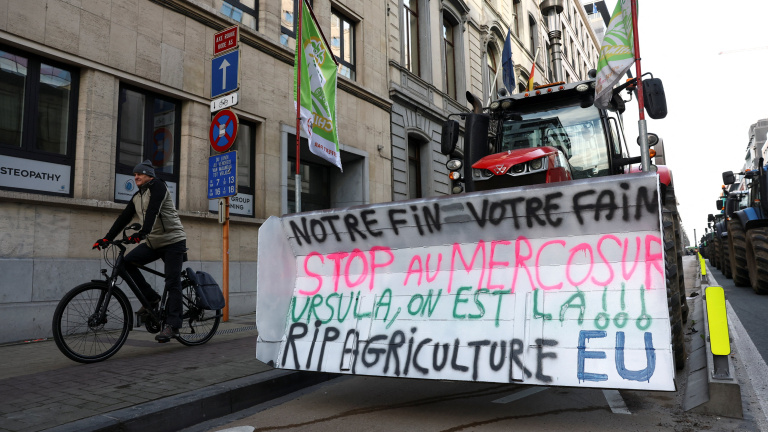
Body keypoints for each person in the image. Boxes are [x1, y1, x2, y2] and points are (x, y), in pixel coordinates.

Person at [93, 160, 187, 343]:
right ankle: (151, 299)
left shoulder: (158, 186)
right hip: (153, 242)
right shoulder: (138, 196)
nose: (136, 177)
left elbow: (153, 210)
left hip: (173, 241)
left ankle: (173, 324)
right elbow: (124, 217)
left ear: (149, 175)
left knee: (172, 281)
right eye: (134, 174)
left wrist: (142, 233)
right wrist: (106, 238)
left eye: (139, 174)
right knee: (127, 263)